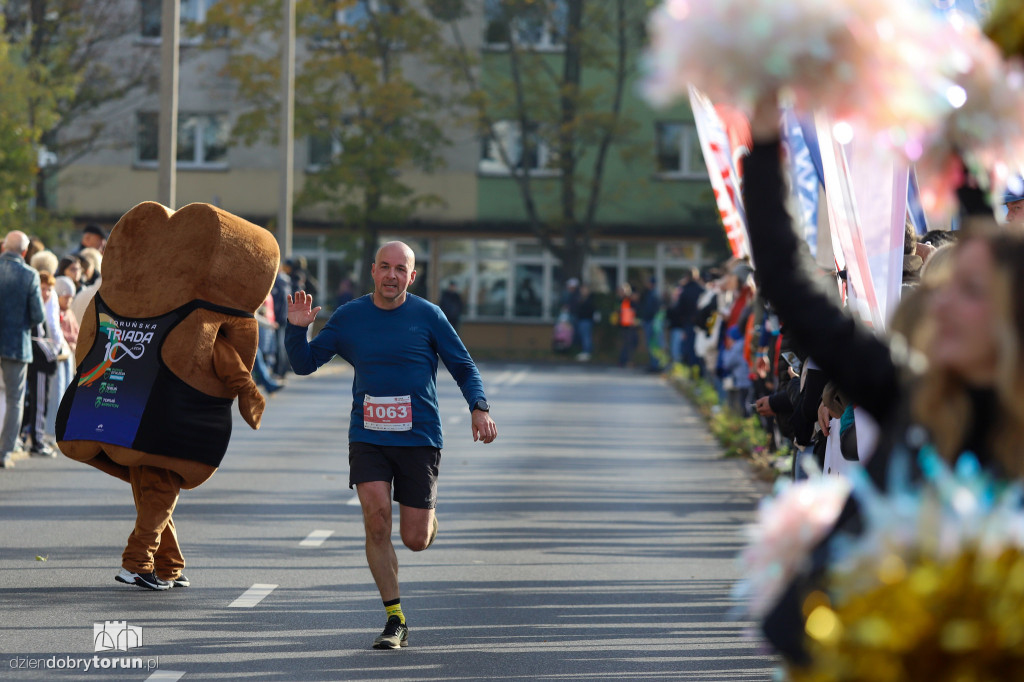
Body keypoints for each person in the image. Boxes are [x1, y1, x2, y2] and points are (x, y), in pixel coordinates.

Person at [744, 96, 1024, 664]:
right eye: (943, 287)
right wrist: (767, 141)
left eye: (969, 292)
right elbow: (790, 286)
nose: (940, 305)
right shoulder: (908, 394)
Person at [285, 241, 498, 650]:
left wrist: (479, 407)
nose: (392, 275)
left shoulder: (428, 316)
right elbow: (304, 363)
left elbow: (463, 366)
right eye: (385, 267)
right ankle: (395, 618)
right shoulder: (350, 317)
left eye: (401, 269)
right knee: (377, 518)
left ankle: (430, 517)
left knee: (415, 538)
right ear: (373, 271)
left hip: (419, 438)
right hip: (368, 436)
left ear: (411, 277)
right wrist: (297, 330)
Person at [0, 231, 46, 469]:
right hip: (16, 343)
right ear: (25, 252)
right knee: (15, 399)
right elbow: (38, 315)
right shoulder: (29, 275)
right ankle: (4, 452)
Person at [21, 271, 59, 457]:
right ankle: (36, 440)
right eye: (42, 288)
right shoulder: (33, 306)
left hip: (34, 359)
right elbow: (37, 338)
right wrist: (54, 353)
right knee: (37, 401)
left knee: (33, 400)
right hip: (37, 362)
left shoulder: (45, 305)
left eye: (49, 289)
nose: (45, 293)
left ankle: (27, 437)